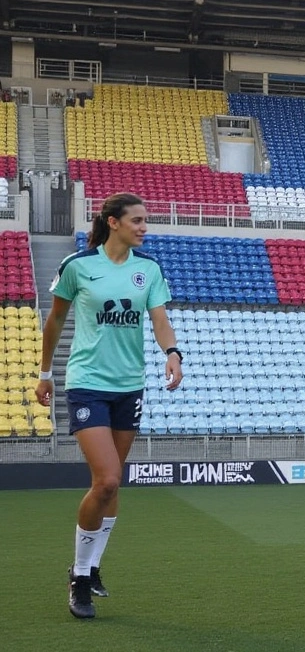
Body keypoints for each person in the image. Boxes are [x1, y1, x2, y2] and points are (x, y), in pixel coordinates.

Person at [35, 193, 183, 620]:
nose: (144, 227)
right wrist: (45, 373)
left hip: (128, 387)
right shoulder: (78, 267)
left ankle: (94, 566)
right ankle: (79, 576)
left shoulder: (148, 269)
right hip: (87, 384)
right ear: (113, 222)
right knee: (107, 480)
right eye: (137, 220)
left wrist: (172, 352)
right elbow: (56, 320)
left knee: (113, 485)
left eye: (146, 221)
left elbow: (159, 319)